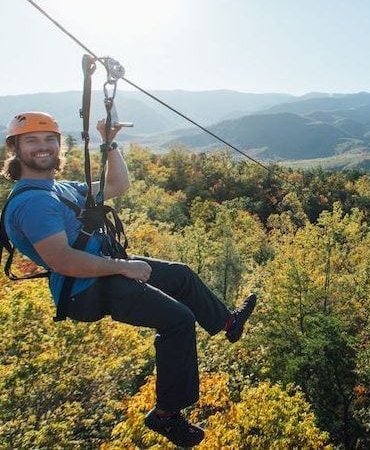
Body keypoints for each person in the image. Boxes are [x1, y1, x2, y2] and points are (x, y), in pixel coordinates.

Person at [2, 112, 257, 447]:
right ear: (15, 148)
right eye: (32, 141)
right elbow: (62, 260)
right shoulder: (34, 201)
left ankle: (226, 323)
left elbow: (116, 185)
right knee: (178, 320)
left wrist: (109, 143)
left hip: (101, 270)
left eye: (50, 139)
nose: (43, 147)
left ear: (60, 145)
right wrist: (123, 267)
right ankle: (166, 416)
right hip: (84, 289)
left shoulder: (58, 188)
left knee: (179, 275)